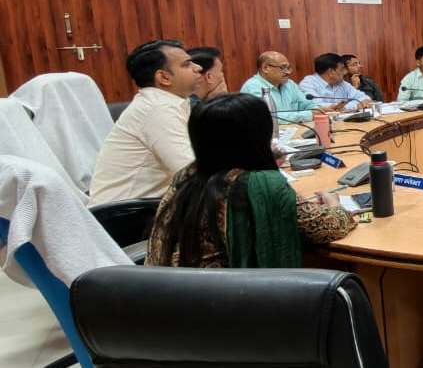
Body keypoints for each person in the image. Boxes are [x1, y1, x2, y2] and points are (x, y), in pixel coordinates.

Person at [145, 93, 356, 268]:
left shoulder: (186, 175)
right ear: (259, 135)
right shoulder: (259, 187)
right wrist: (335, 205)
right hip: (228, 298)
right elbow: (330, 227)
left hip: (161, 293)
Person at [90, 40, 200, 205]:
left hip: (147, 206)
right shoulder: (157, 108)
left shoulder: (169, 102)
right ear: (164, 77)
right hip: (127, 213)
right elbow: (191, 172)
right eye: (187, 64)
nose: (198, 67)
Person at [240, 51, 319, 123]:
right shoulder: (253, 87)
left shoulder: (289, 84)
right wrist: (309, 115)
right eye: (283, 67)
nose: (288, 72)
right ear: (265, 68)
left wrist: (317, 110)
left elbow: (308, 104)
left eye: (288, 68)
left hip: (294, 130)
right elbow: (268, 117)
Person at [299, 53, 372, 111]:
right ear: (331, 72)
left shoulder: (342, 83)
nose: (345, 72)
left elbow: (365, 97)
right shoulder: (308, 83)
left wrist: (345, 107)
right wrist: (353, 106)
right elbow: (315, 107)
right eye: (342, 69)